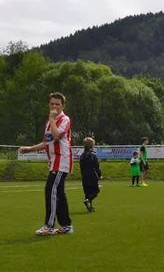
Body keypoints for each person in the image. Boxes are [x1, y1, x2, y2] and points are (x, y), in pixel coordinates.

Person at [19, 92, 73, 236]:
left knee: (51, 191)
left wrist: (52, 119)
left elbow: (56, 136)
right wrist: (30, 149)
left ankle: (49, 226)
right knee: (59, 193)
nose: (54, 106)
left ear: (63, 106)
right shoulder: (50, 122)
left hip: (61, 161)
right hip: (54, 161)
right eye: (52, 104)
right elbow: (47, 142)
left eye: (57, 104)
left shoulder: (64, 119)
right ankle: (66, 225)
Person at [80, 137, 102, 212]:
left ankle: (90, 206)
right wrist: (99, 175)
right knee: (95, 191)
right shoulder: (93, 155)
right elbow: (96, 166)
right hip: (92, 176)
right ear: (92, 145)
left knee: (87, 192)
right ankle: (88, 200)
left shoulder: (82, 155)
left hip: (84, 176)